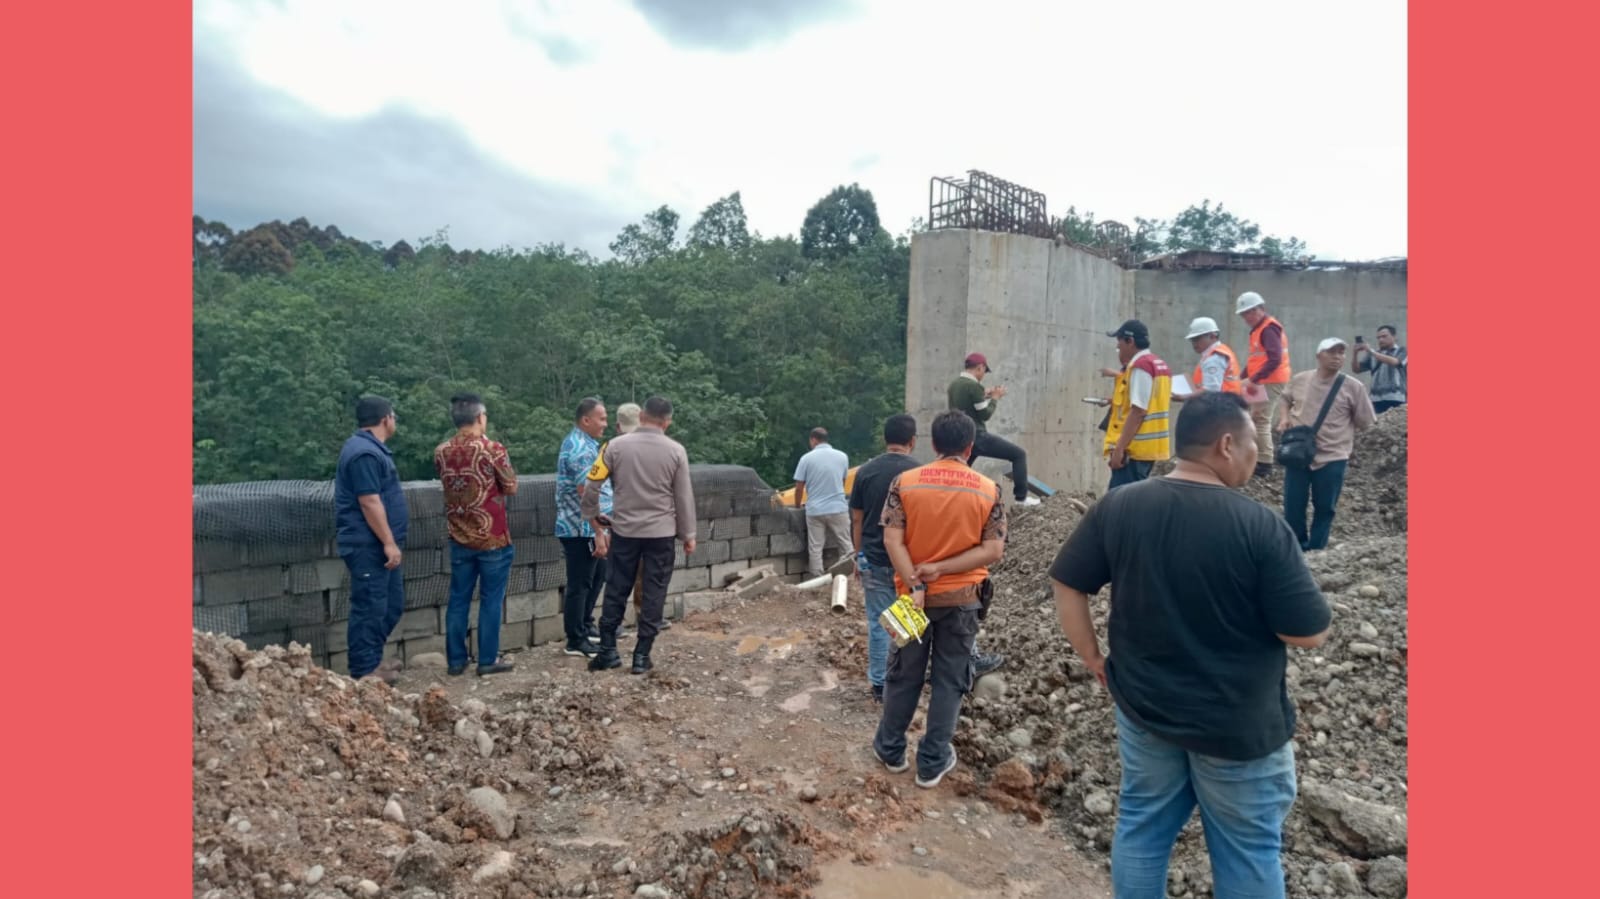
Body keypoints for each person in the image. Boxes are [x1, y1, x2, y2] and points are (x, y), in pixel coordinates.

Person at [1048, 390, 1332, 899]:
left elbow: (1068, 582)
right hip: (1237, 725)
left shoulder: (1121, 505)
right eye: (1252, 442)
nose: (1257, 454)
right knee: (1247, 849)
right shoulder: (1260, 526)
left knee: (1142, 827)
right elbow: (1306, 633)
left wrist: (1092, 658)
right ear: (1226, 444)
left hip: (1144, 708)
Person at [873, 410, 1007, 789]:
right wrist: (945, 568)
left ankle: (891, 749)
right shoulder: (987, 489)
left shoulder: (906, 481)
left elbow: (891, 540)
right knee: (950, 681)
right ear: (969, 447)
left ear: (933, 444)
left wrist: (916, 579)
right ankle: (932, 763)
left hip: (910, 598)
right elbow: (993, 549)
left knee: (902, 675)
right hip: (964, 600)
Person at [582, 396, 696, 675]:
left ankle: (608, 651)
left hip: (625, 531)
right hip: (661, 534)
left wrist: (592, 514)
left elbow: (592, 483)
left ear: (642, 416)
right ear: (667, 422)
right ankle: (642, 655)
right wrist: (688, 534)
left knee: (617, 587)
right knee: (654, 591)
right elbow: (683, 497)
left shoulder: (614, 446)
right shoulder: (676, 451)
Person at [433, 393, 519, 676]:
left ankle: (456, 661)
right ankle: (487, 659)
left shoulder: (441, 451)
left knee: (458, 598)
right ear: (480, 417)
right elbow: (510, 486)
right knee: (491, 599)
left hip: (458, 536)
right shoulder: (492, 449)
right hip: (491, 536)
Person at [332, 395, 409, 684]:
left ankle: (372, 662)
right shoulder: (363, 453)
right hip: (368, 545)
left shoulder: (372, 450)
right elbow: (369, 501)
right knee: (370, 606)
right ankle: (364, 671)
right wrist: (388, 542)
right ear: (386, 419)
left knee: (390, 605)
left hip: (379, 545)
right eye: (394, 417)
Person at [1277, 338, 1378, 551]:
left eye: (1341, 353)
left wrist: (1339, 431)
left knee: (1325, 507)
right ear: (1318, 356)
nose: (1337, 357)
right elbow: (1285, 398)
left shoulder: (1354, 387)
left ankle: (1316, 549)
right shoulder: (1301, 379)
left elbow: (1366, 422)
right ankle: (1297, 547)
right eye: (1331, 352)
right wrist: (1284, 418)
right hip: (1299, 453)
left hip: (1333, 456)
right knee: (1293, 506)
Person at [556, 397, 610, 658]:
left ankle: (585, 626)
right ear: (586, 420)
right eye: (601, 418)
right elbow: (585, 492)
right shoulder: (580, 448)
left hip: (589, 526)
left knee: (597, 575)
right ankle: (575, 639)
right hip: (579, 528)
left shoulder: (587, 444)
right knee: (580, 583)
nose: (605, 424)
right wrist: (598, 531)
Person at [947, 352, 1040, 506]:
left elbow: (968, 404)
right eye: (984, 371)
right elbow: (984, 414)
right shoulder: (974, 386)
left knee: (960, 471)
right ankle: (1021, 499)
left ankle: (951, 500)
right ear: (979, 367)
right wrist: (995, 398)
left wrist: (986, 395)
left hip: (960, 437)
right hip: (977, 436)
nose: (983, 374)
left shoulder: (955, 384)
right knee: (1018, 455)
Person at [611, 403, 666, 630]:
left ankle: (636, 616)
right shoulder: (619, 449)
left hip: (629, 520)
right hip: (634, 520)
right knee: (627, 573)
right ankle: (625, 619)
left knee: (634, 571)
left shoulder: (614, 448)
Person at [1099, 320, 1173, 490]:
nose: (1118, 348)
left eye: (1119, 343)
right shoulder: (1158, 364)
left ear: (1130, 341)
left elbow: (1138, 411)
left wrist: (1119, 449)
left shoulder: (1140, 367)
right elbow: (1150, 401)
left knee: (1121, 503)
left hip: (1134, 451)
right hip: (1149, 448)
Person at [1236, 291, 1292, 478]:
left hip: (1271, 379)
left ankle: (1265, 463)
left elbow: (1274, 359)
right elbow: (1255, 360)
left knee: (1261, 419)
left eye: (1248, 313)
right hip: (1264, 379)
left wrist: (1252, 380)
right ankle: (1256, 458)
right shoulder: (1260, 329)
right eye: (1244, 314)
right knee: (1254, 417)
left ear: (1260, 309)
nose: (1246, 318)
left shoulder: (1268, 328)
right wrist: (1242, 377)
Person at [793, 427, 852, 578]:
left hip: (815, 510)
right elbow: (842, 481)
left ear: (813, 439)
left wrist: (798, 505)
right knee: (846, 544)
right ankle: (850, 576)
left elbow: (799, 487)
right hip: (838, 508)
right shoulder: (842, 456)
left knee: (816, 548)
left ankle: (818, 580)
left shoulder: (806, 458)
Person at [1171, 316, 1242, 402]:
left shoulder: (1214, 358)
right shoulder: (1218, 352)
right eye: (1192, 340)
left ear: (1212, 336)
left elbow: (1211, 391)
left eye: (1197, 339)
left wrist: (1184, 397)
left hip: (1220, 408)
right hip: (1227, 405)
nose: (1194, 343)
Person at [1352, 325, 1407, 413]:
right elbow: (1356, 369)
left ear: (1394, 337)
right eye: (1378, 338)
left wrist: (1371, 351)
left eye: (1384, 336)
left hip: (1397, 398)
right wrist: (1355, 354)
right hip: (1376, 399)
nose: (1381, 340)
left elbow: (1395, 362)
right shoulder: (1374, 354)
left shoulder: (1402, 350)